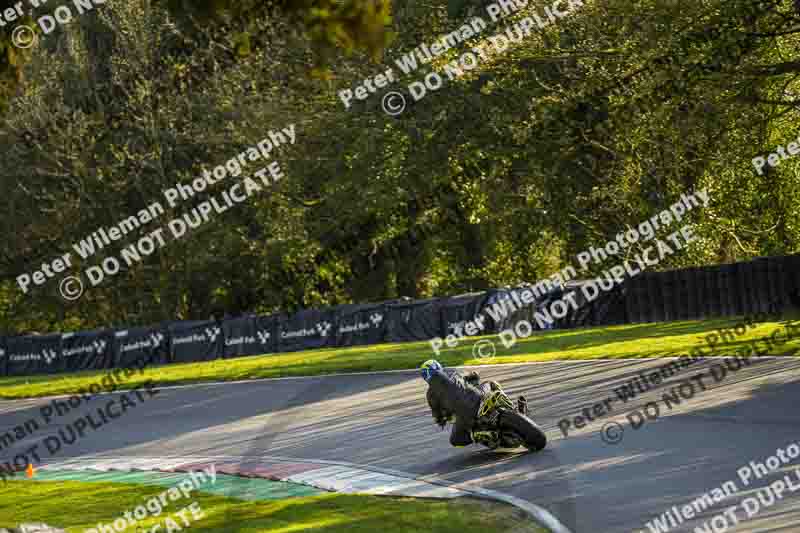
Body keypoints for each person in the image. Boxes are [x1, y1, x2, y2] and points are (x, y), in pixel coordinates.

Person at [420, 360, 527, 448]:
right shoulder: (454, 374)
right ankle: (513, 408)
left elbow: (437, 415)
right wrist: (473, 378)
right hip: (479, 398)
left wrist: (440, 420)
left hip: (465, 418)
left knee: (455, 440)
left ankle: (481, 434)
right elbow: (474, 375)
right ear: (439, 367)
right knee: (490, 383)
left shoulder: (430, 396)